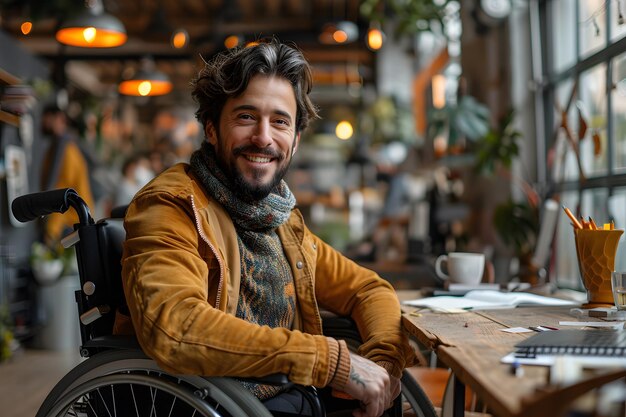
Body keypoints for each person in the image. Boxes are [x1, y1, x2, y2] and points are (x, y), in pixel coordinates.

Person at [117, 38, 415, 417]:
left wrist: (383, 363)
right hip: (207, 405)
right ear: (211, 128)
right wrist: (331, 362)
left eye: (280, 121)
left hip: (282, 398)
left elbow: (367, 289)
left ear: (295, 140)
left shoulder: (280, 220)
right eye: (245, 117)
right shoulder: (172, 205)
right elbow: (175, 327)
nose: (263, 137)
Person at [40, 104, 94, 245]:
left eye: (46, 119)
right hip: (70, 221)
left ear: (59, 118)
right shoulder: (62, 146)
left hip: (69, 223)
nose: (43, 123)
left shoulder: (67, 150)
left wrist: (52, 230)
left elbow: (62, 192)